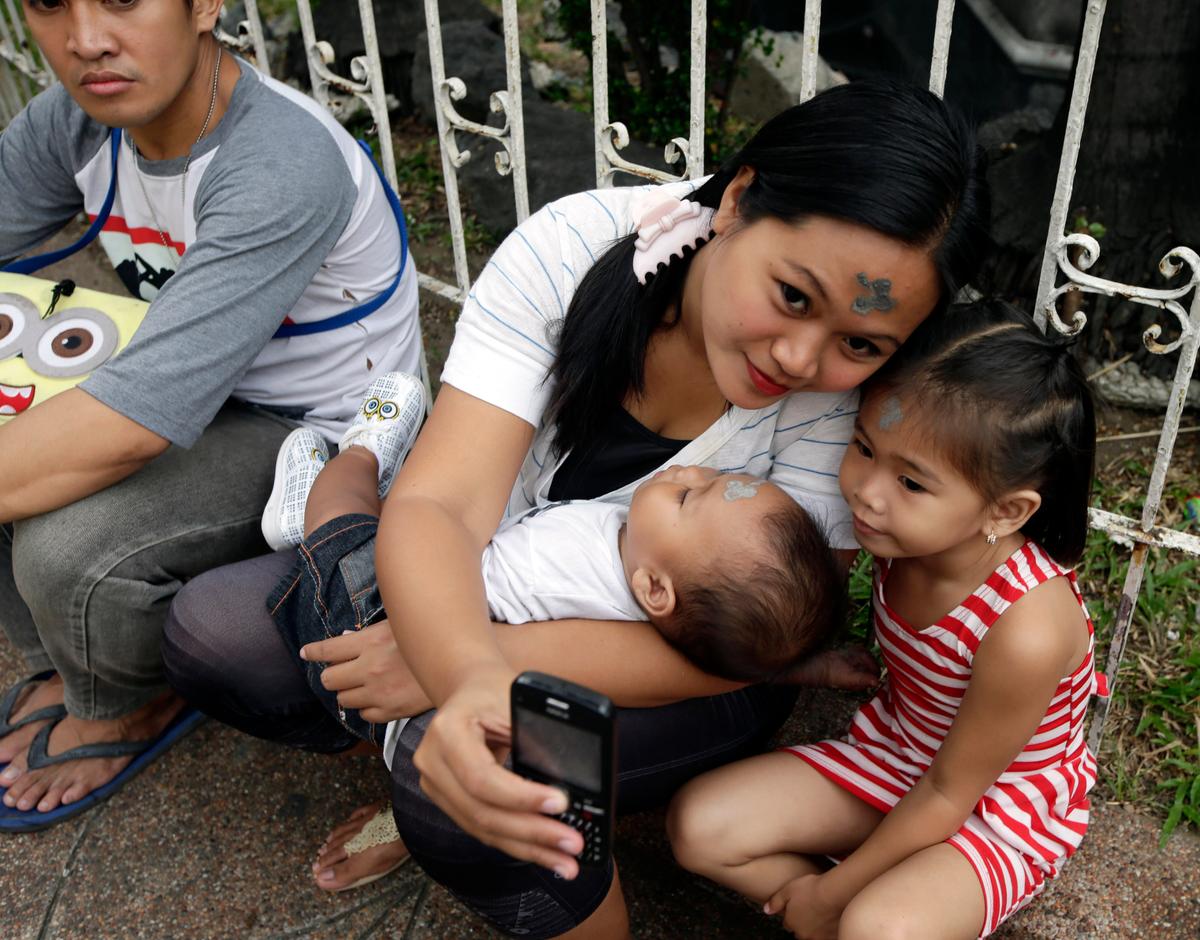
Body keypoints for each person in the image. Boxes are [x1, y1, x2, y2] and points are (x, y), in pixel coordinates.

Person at [163, 78, 991, 934]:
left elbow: (763, 630)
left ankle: (554, 883)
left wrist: (470, 658)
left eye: (859, 344)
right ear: (739, 199)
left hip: (688, 659)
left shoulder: (856, 398)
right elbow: (441, 505)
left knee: (477, 783)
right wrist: (462, 664)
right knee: (212, 633)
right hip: (488, 573)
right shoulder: (575, 246)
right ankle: (433, 757)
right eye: (791, 295)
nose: (799, 355)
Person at [0, 0, 420, 829]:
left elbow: (130, 428)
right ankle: (74, 661)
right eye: (50, 3)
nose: (86, 40)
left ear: (205, 5)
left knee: (62, 542)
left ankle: (126, 704)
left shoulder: (278, 162)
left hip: (317, 429)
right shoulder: (77, 119)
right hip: (195, 380)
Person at [667, 301, 1101, 940]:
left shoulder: (1024, 629)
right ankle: (854, 906)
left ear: (1006, 512)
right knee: (698, 826)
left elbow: (953, 793)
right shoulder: (900, 537)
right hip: (897, 755)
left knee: (877, 928)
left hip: (994, 808)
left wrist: (831, 891)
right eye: (865, 446)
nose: (868, 491)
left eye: (912, 483)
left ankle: (866, 908)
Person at [263, 370, 843, 750]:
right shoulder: (669, 593)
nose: (690, 471)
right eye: (715, 475)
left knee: (346, 512)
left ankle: (354, 457)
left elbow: (459, 572)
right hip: (410, 659)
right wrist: (798, 663)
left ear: (656, 589)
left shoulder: (570, 563)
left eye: (690, 496)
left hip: (374, 622)